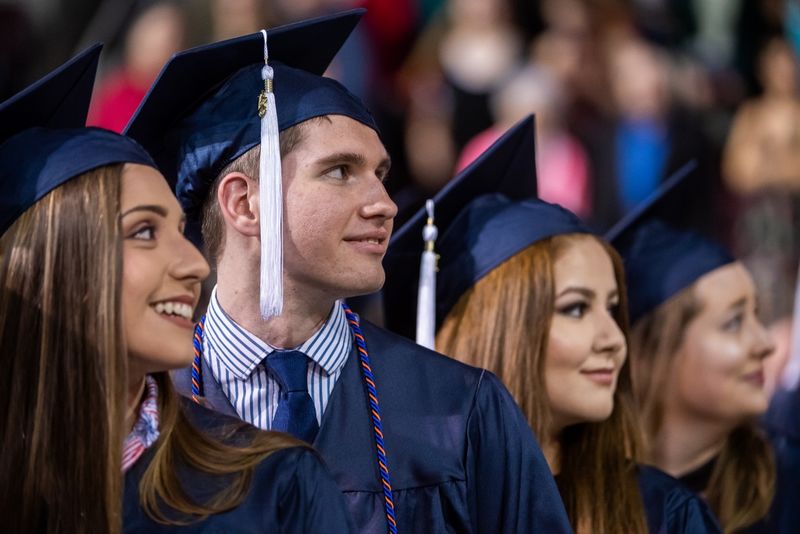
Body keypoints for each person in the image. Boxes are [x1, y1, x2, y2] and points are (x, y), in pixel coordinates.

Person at [126, 9, 571, 533]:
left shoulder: (460, 408)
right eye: (340, 171)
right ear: (245, 204)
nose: (384, 203)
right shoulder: (141, 409)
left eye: (381, 174)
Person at [0, 44, 353, 533]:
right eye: (145, 231)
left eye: (180, 231)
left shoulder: (272, 488)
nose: (193, 264)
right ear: (47, 268)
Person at [383, 119, 721, 533]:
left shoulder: (665, 515)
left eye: (613, 309)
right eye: (576, 309)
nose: (615, 340)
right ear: (500, 326)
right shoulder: (407, 509)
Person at [610, 168, 789, 532]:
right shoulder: (588, 497)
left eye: (757, 315)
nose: (765, 343)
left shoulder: (790, 485)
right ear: (650, 350)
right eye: (734, 322)